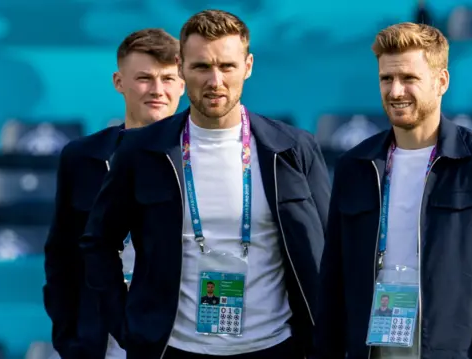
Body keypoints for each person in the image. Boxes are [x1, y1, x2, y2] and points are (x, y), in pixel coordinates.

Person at [79, 9, 330, 359]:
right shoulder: (141, 151)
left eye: (227, 66)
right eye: (201, 67)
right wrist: (127, 327)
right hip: (175, 349)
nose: (215, 81)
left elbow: (330, 250)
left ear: (248, 66)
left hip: (275, 347)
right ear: (181, 67)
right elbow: (99, 242)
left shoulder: (291, 148)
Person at [314, 22, 472, 359]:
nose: (396, 91)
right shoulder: (355, 165)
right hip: (374, 341)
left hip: (454, 346)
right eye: (387, 79)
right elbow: (332, 274)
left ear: (441, 81)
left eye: (409, 79)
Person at [43, 28, 185, 359]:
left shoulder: (204, 158)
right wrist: (69, 338)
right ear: (119, 82)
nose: (157, 90)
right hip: (99, 341)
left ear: (182, 84)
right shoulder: (80, 157)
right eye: (144, 78)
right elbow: (61, 255)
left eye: (168, 78)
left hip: (178, 337)